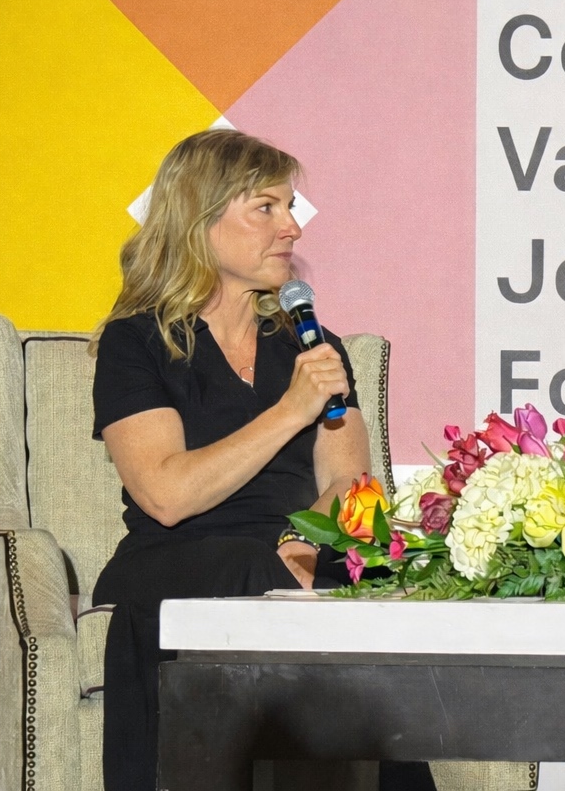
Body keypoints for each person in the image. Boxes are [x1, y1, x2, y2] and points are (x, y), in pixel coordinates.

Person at [90, 130, 433, 791]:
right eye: (266, 208)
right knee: (246, 567)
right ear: (200, 220)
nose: (291, 229)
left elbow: (351, 482)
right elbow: (166, 495)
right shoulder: (137, 344)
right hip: (175, 561)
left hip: (290, 551)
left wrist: (300, 546)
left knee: (372, 569)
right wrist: (290, 411)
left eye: (290, 208)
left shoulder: (311, 344)